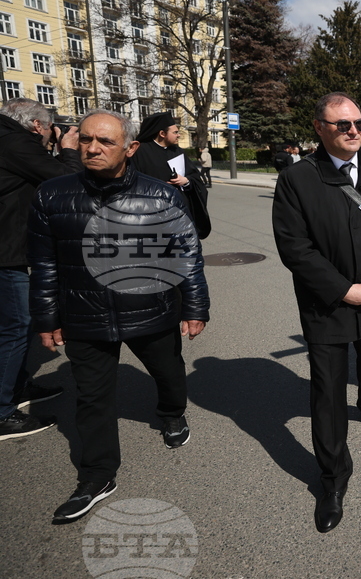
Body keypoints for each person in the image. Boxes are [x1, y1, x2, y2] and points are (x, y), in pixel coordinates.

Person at [28, 110, 209, 523]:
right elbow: (44, 266)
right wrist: (46, 317)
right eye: (87, 139)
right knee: (91, 399)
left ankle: (171, 413)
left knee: (168, 373)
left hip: (152, 313)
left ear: (130, 148)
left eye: (105, 142)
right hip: (84, 318)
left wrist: (195, 307)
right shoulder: (51, 196)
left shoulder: (162, 195)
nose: (93, 148)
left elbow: (187, 257)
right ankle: (97, 475)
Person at [272, 92, 361, 533]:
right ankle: (334, 478)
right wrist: (342, 290)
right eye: (341, 124)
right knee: (327, 393)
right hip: (328, 307)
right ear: (320, 128)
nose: (353, 130)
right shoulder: (298, 179)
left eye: (357, 122)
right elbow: (294, 248)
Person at [0, 98, 82, 441]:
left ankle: (16, 387)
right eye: (49, 127)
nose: (51, 133)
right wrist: (67, 149)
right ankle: (3, 411)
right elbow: (65, 178)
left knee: (15, 324)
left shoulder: (8, 140)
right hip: (6, 254)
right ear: (36, 126)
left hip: (10, 249)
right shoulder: (14, 141)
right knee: (16, 327)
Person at [131, 112, 210, 239]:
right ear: (162, 134)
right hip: (153, 218)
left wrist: (186, 181)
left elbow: (194, 177)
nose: (178, 135)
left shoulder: (178, 151)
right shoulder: (140, 152)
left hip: (181, 215)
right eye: (175, 132)